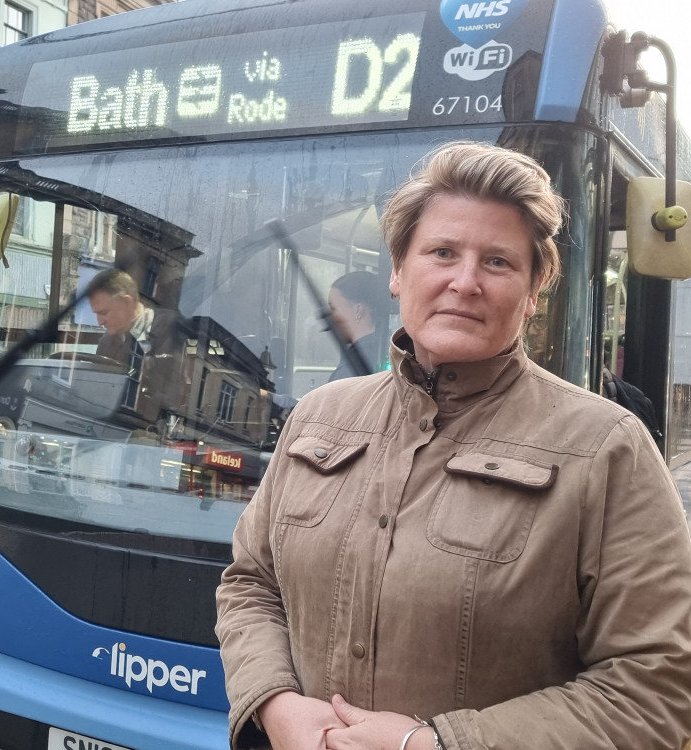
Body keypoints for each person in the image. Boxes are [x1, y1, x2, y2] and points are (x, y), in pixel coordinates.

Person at [215, 142, 691, 750]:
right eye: (442, 252)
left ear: (534, 288)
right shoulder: (319, 417)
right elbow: (250, 584)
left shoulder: (604, 448)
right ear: (397, 270)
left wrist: (436, 745)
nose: (464, 282)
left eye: (497, 261)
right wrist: (276, 704)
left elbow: (654, 691)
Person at [86, 267, 185, 425]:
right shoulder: (106, 343)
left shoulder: (176, 328)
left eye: (103, 313)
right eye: (96, 314)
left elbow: (182, 394)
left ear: (126, 302)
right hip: (114, 429)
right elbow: (97, 398)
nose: (99, 322)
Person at [326, 270, 380, 381]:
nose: (330, 318)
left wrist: (282, 399)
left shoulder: (356, 364)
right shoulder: (385, 350)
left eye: (333, 309)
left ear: (358, 311)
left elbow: (330, 398)